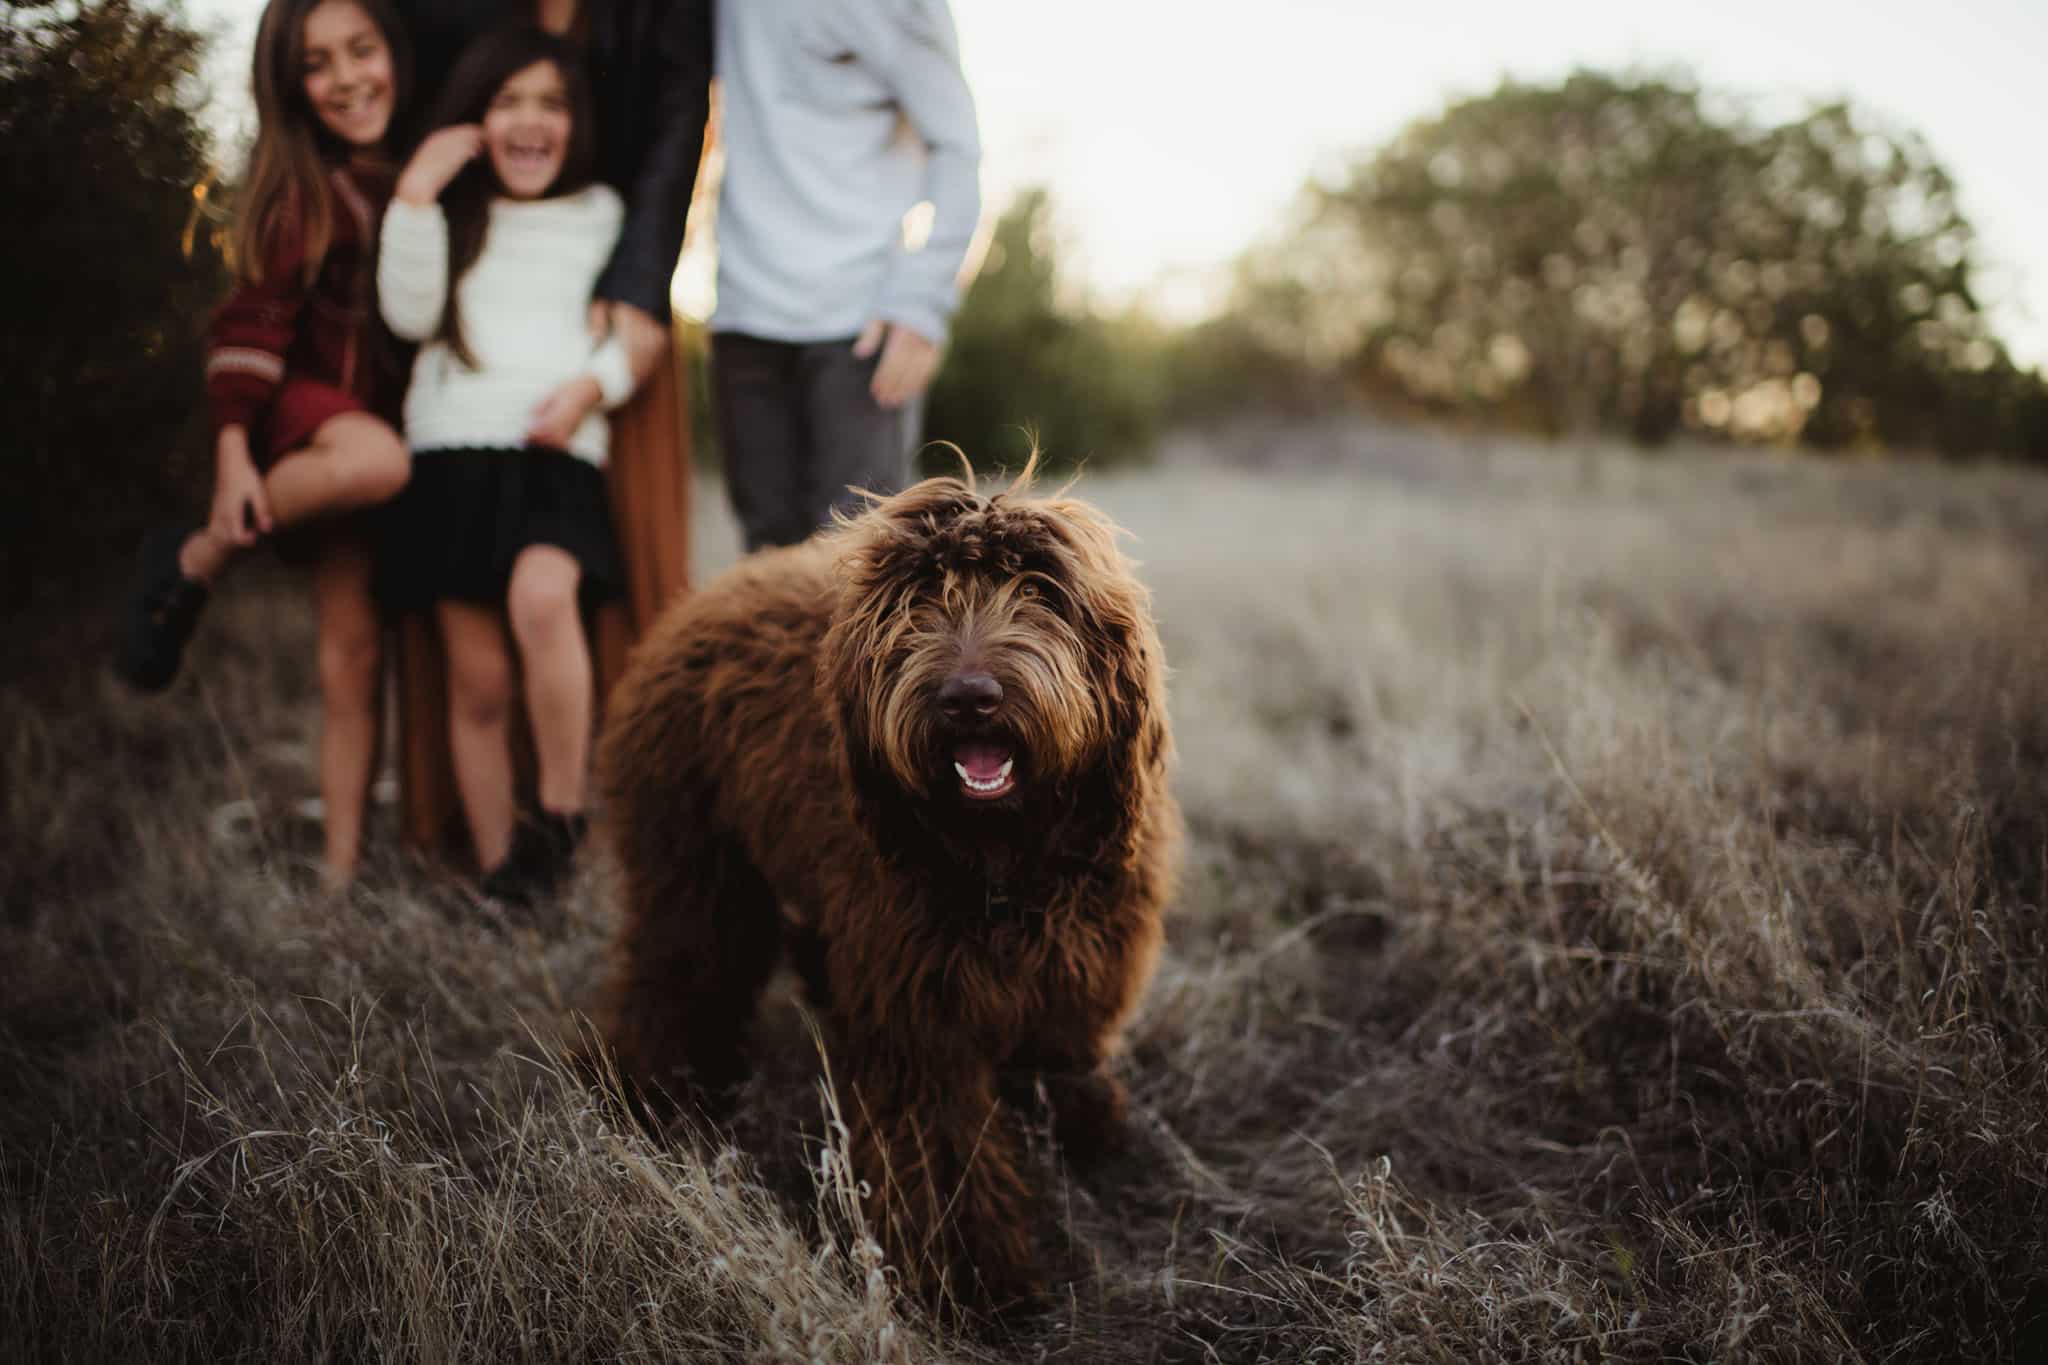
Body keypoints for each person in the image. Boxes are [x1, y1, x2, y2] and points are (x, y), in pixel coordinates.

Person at [114, 0, 415, 891]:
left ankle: (338, 875)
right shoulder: (301, 191)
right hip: (307, 410)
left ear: (394, 49)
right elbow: (246, 322)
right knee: (376, 462)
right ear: (292, 87)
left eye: (362, 50)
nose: (349, 77)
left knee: (352, 657)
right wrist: (235, 453)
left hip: (371, 426)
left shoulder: (408, 171)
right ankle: (200, 548)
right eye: (319, 64)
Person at [375, 25, 635, 907]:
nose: (531, 122)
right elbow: (409, 317)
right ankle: (501, 874)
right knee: (477, 679)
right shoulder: (449, 210)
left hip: (551, 452)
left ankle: (561, 814)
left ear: (577, 122)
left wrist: (588, 389)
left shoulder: (601, 211)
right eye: (509, 100)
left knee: (543, 595)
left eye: (551, 104)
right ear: (476, 118)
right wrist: (415, 191)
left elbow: (636, 343)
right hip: (449, 452)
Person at [709, 0, 983, 552]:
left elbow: (957, 145)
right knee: (766, 570)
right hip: (743, 314)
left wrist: (922, 305)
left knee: (858, 563)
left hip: (860, 325)